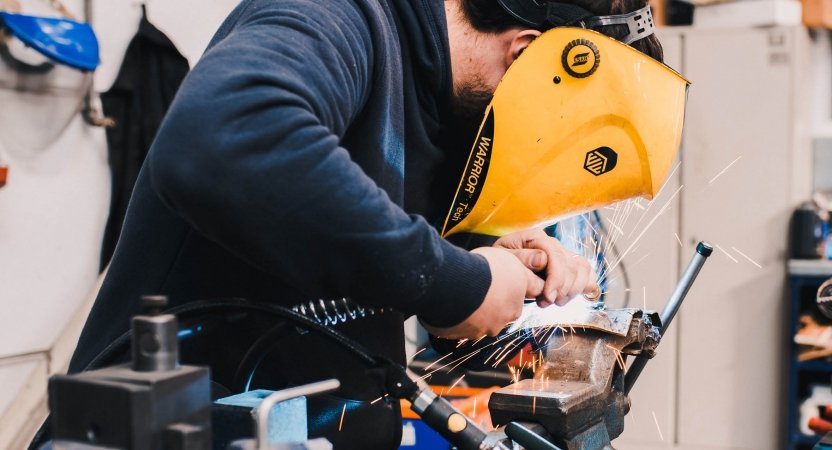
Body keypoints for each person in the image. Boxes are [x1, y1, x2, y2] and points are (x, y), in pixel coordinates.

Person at [61, 0, 664, 446]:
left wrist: (485, 251)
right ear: (527, 52)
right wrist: (455, 282)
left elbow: (372, 233)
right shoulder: (339, 17)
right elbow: (224, 138)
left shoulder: (453, 103)